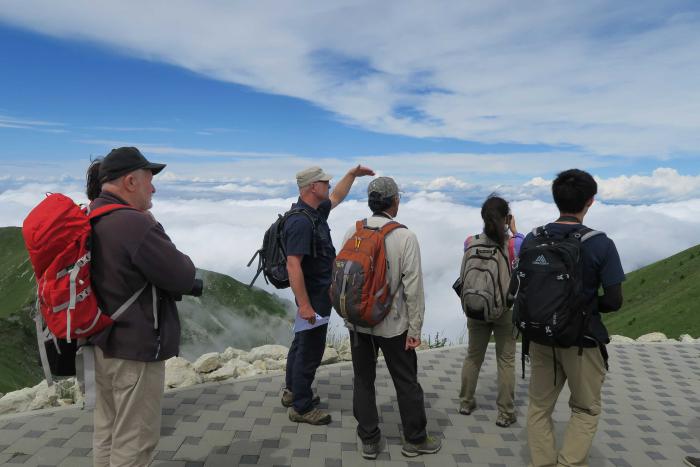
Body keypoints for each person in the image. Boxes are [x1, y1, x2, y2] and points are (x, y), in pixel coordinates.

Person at [86, 147, 202, 467]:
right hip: (134, 350)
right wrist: (154, 226)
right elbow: (181, 275)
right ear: (130, 182)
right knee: (135, 441)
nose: (154, 188)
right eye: (150, 180)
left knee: (108, 431)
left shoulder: (91, 215)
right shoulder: (133, 224)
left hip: (101, 342)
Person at [525, 169, 624, 467]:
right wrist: (582, 306)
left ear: (556, 199)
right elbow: (614, 300)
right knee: (585, 409)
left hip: (540, 336)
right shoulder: (600, 243)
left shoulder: (532, 238)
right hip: (582, 341)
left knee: (539, 408)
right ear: (590, 201)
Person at [341, 176, 441, 459]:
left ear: (371, 202)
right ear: (395, 202)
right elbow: (413, 288)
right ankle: (415, 440)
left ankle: (370, 439)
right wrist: (415, 328)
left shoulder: (354, 229)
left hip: (359, 322)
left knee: (363, 380)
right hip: (393, 325)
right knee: (406, 381)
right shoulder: (405, 236)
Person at [282, 164, 374, 425]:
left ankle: (292, 391)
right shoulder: (301, 222)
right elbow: (293, 265)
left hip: (315, 294)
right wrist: (305, 305)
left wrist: (352, 175)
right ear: (313, 187)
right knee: (310, 349)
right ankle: (301, 407)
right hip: (313, 296)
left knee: (301, 343)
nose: (329, 185)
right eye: (324, 182)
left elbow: (336, 198)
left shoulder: (312, 212)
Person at [458, 195, 524, 427]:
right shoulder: (513, 244)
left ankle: (466, 402)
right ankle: (505, 413)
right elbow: (523, 253)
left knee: (473, 355)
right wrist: (514, 231)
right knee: (505, 360)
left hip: (475, 307)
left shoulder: (470, 241)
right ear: (506, 218)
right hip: (503, 310)